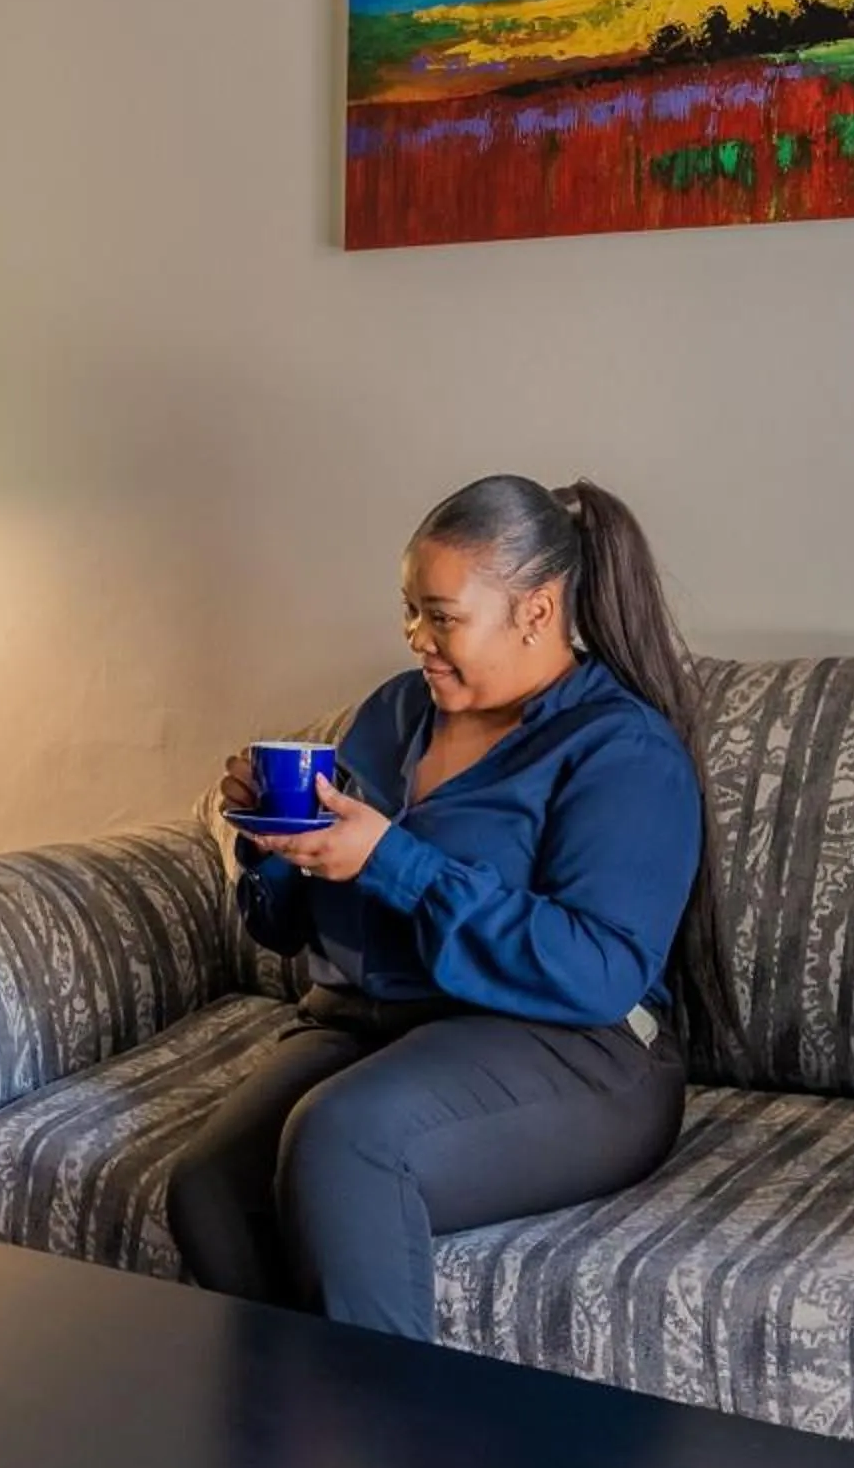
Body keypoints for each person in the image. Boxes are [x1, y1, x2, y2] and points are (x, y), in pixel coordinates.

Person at [164, 475, 735, 1340]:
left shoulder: (619, 749)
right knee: (207, 1185)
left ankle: (380, 1454)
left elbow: (598, 971)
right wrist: (271, 843)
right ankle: (301, 1437)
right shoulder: (394, 715)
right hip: (374, 1023)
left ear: (536, 611)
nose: (415, 639)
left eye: (441, 615)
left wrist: (392, 860)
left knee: (345, 1141)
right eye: (408, 612)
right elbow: (285, 929)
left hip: (577, 1049)